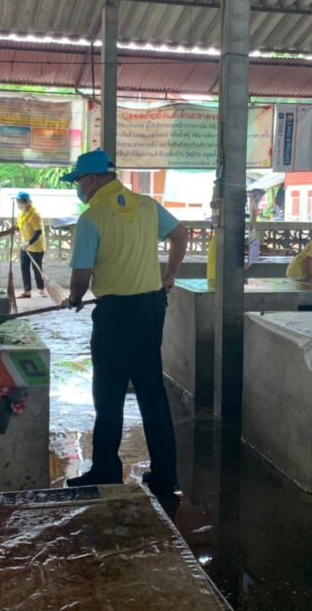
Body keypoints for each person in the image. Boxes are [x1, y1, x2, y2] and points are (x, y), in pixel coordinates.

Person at [60, 149, 188, 499]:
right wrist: (169, 276)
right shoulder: (146, 205)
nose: (78, 188)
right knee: (152, 392)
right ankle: (166, 476)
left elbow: (81, 277)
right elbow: (180, 235)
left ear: (91, 179)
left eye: (78, 181)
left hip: (116, 314)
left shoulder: (92, 217)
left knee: (109, 394)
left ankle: (106, 470)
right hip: (151, 308)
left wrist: (74, 298)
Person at [15, 191, 46, 298]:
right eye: (18, 202)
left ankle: (42, 289)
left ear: (27, 202)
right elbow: (20, 227)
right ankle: (27, 291)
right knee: (24, 267)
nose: (19, 204)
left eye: (20, 202)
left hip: (36, 246)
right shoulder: (21, 214)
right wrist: (12, 227)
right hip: (24, 245)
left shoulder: (35, 215)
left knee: (37, 268)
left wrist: (29, 243)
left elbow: (38, 232)